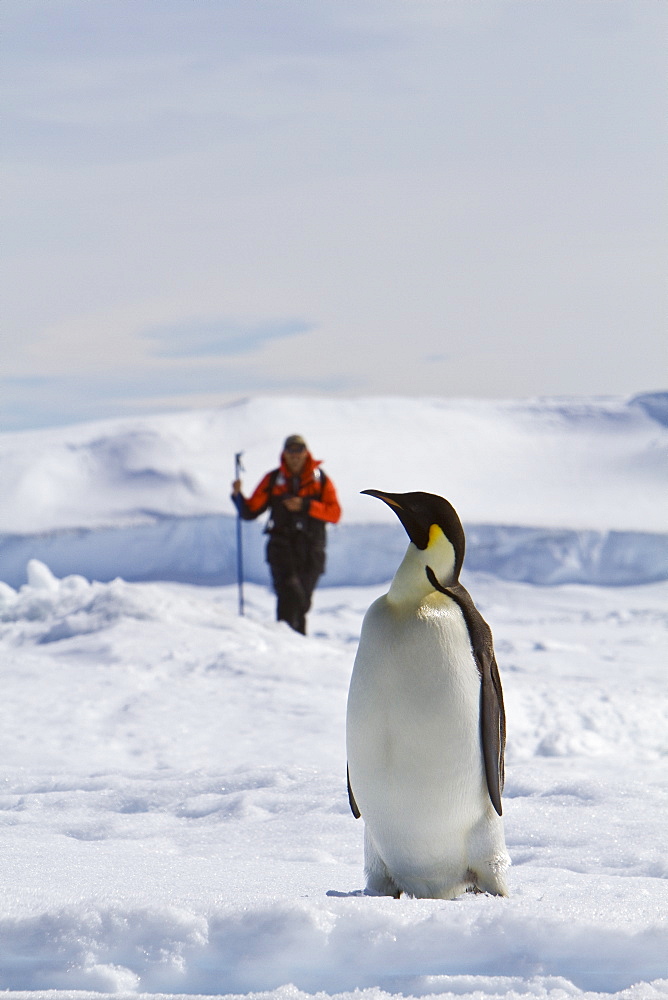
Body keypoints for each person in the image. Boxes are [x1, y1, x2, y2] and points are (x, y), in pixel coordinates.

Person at [231, 435, 341, 635]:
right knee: (289, 595)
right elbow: (250, 511)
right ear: (284, 453)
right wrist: (238, 497)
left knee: (303, 600)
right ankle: (288, 643)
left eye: (299, 450)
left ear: (306, 452)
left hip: (312, 550)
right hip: (281, 549)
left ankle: (295, 645)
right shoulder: (273, 480)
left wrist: (305, 505)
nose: (295, 455)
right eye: (290, 450)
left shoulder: (320, 480)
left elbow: (334, 513)